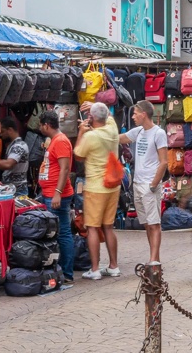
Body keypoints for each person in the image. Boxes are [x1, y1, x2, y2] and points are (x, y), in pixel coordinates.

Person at [73, 102, 121, 280]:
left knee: (92, 227)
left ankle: (95, 269)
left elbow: (78, 154)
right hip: (112, 186)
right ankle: (114, 266)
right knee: (108, 226)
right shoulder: (112, 129)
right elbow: (109, 117)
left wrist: (81, 132)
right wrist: (96, 107)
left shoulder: (91, 136)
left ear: (91, 118)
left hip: (95, 187)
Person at [119, 100, 168, 264]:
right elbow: (119, 138)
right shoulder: (138, 131)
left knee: (154, 223)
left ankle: (154, 260)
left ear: (143, 114)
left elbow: (164, 162)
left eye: (135, 113)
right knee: (147, 223)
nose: (132, 116)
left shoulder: (158, 133)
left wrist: (153, 184)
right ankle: (155, 258)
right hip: (138, 184)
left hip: (149, 185)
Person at [38, 110, 75, 283]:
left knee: (62, 233)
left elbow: (65, 168)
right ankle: (62, 270)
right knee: (58, 233)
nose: (40, 128)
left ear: (46, 125)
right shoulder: (55, 141)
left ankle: (67, 273)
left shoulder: (60, 141)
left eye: (40, 125)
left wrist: (57, 193)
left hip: (56, 194)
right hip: (50, 193)